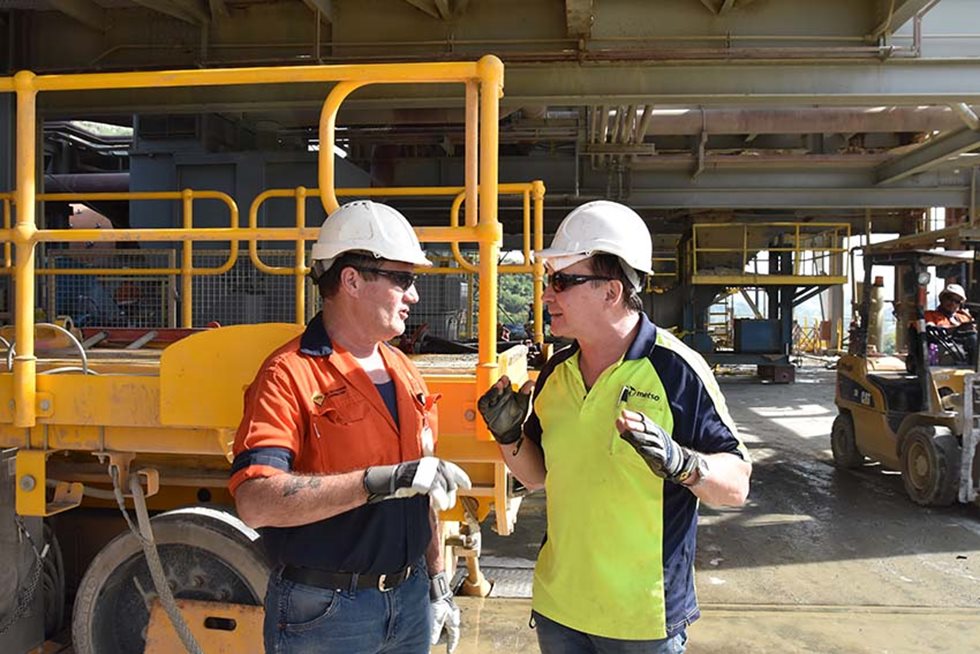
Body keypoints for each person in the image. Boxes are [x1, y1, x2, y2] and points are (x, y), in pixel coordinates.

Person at [478, 200, 751, 654]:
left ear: (612, 291)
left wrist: (684, 465)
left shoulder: (677, 371)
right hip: (559, 609)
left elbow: (736, 487)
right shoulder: (555, 374)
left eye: (562, 281)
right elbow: (537, 477)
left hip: (642, 620)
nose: (547, 295)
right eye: (550, 282)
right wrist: (508, 438)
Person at [229, 200, 470, 654]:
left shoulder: (404, 370)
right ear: (352, 280)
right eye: (402, 279)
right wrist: (376, 483)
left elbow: (423, 495)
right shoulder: (289, 374)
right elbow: (255, 501)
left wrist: (437, 581)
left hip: (410, 599)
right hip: (326, 612)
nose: (413, 295)